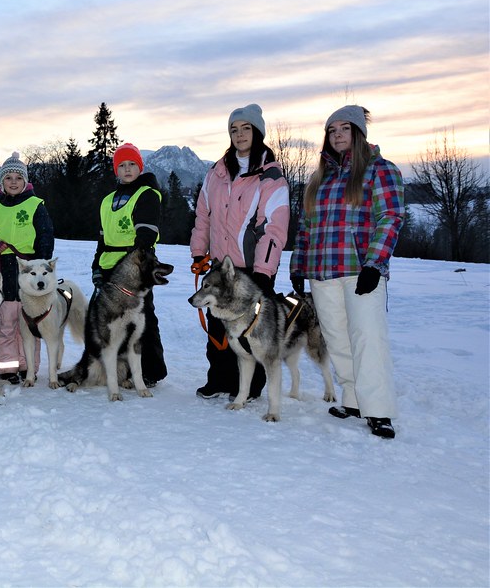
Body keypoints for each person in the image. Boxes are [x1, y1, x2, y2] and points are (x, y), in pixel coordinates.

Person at [290, 105, 403, 439]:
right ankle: (353, 399)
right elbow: (305, 228)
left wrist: (374, 263)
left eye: (344, 128)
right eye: (332, 130)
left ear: (359, 133)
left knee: (368, 337)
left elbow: (391, 218)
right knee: (337, 338)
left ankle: (378, 409)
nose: (337, 135)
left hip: (360, 270)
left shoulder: (380, 170)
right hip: (322, 271)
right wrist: (299, 265)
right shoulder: (319, 179)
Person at [190, 104, 290, 401]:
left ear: (257, 132)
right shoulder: (217, 173)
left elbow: (274, 227)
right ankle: (218, 379)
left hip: (252, 268)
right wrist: (199, 252)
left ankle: (250, 386)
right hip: (221, 266)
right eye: (234, 129)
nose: (239, 134)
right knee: (218, 324)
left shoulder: (270, 176)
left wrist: (264, 270)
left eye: (246, 128)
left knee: (252, 330)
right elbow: (203, 215)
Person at [0, 152, 55, 384]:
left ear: (25, 181)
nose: (13, 182)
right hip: (2, 270)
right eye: (8, 177)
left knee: (29, 323)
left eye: (17, 178)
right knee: (7, 322)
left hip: (29, 270)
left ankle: (28, 367)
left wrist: (41, 266)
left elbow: (45, 236)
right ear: (1, 182)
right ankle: (8, 368)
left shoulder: (35, 205)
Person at [91, 143, 167, 386]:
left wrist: (134, 269)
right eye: (121, 165)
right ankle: (119, 369)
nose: (127, 169)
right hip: (108, 265)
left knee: (141, 319)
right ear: (116, 170)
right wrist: (96, 266)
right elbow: (102, 239)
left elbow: (145, 236)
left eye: (132, 164)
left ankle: (150, 371)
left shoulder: (146, 194)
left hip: (135, 267)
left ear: (140, 167)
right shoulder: (107, 201)